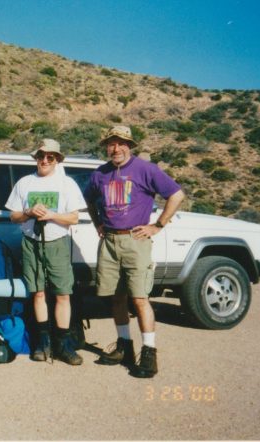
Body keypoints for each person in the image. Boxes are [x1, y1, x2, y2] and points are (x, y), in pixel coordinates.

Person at [85, 125, 185, 378]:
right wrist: (97, 222)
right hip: (109, 241)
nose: (116, 148)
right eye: (111, 143)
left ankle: (149, 353)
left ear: (130, 146)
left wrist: (157, 225)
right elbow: (89, 199)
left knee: (139, 298)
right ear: (106, 147)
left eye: (121, 143)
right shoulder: (100, 173)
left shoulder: (145, 169)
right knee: (116, 298)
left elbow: (176, 194)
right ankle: (124, 347)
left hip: (136, 241)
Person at [6, 139, 87, 365]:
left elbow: (74, 218)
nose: (44, 160)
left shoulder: (67, 183)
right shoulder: (24, 183)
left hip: (57, 243)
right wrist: (29, 212)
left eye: (50, 157)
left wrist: (51, 215)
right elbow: (13, 216)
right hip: (31, 242)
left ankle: (63, 344)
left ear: (57, 159)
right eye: (41, 156)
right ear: (36, 158)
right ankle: (43, 343)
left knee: (63, 294)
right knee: (38, 293)